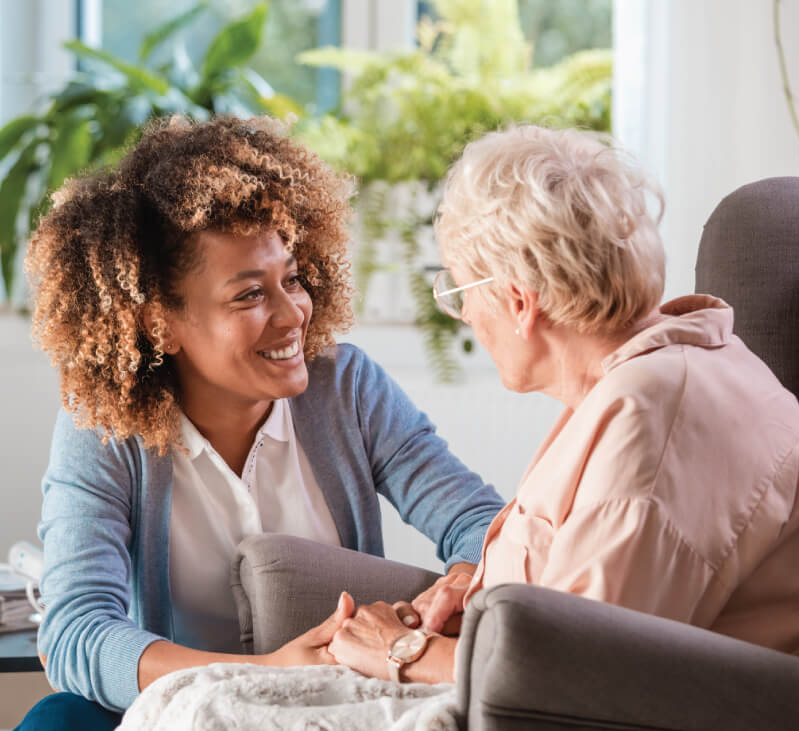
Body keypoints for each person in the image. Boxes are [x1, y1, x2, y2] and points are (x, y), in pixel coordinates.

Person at [14, 115, 503, 730]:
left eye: (291, 280)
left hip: (329, 708)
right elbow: (77, 633)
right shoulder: (105, 429)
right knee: (57, 719)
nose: (293, 313)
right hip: (181, 711)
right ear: (159, 322)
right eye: (249, 295)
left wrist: (459, 584)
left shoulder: (346, 388)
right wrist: (262, 671)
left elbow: (480, 522)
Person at [324, 125, 799, 684]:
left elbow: (579, 675)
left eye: (458, 293)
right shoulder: (656, 374)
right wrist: (480, 596)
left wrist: (403, 651)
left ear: (519, 301)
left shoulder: (652, 418)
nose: (467, 317)